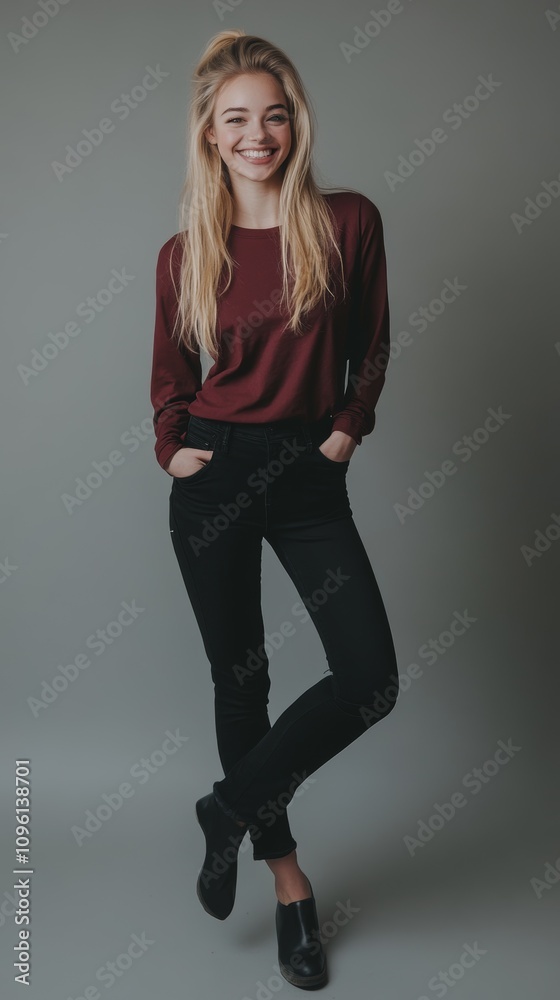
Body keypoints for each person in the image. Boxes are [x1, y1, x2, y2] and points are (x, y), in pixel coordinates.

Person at [150, 29, 399, 992]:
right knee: (241, 683)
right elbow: (171, 382)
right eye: (238, 119)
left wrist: (347, 429)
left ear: (296, 124)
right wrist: (173, 450)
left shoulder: (347, 221)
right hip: (215, 473)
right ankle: (292, 889)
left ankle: (227, 808)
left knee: (367, 676)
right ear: (211, 135)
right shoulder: (187, 251)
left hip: (308, 473)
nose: (260, 134)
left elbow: (373, 340)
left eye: (275, 115)